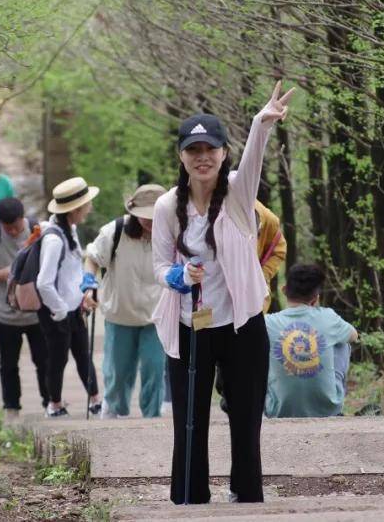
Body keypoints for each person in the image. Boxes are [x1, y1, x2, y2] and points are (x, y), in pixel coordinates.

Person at [152, 81, 294, 505]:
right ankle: (191, 496)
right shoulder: (165, 207)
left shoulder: (237, 193)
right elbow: (159, 266)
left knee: (246, 416)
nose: (203, 158)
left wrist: (261, 123)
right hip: (189, 325)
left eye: (211, 149)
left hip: (242, 323)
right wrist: (177, 276)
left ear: (224, 153)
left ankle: (246, 493)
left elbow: (254, 160)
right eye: (194, 151)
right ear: (181, 156)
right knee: (189, 420)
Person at [85, 184, 168, 419]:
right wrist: (88, 284)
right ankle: (115, 411)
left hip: (156, 317)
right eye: (144, 217)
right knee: (118, 372)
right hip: (120, 314)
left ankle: (152, 416)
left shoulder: (173, 233)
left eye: (155, 217)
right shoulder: (115, 231)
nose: (150, 222)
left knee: (154, 367)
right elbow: (92, 259)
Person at [0, 197, 49, 420]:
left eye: (17, 226)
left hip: (37, 313)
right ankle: (11, 408)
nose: (14, 232)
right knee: (8, 364)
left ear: (22, 218)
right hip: (5, 314)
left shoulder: (40, 231)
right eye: (9, 228)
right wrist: (8, 272)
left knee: (44, 362)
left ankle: (50, 404)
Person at [36, 176, 103, 418]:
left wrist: (83, 293)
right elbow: (43, 282)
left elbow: (72, 270)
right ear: (74, 210)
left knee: (83, 355)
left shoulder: (70, 230)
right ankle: (53, 404)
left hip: (75, 307)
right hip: (57, 311)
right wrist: (61, 309)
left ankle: (95, 400)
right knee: (58, 359)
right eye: (87, 204)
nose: (90, 207)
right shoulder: (54, 239)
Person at [217, 200, 286, 413]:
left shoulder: (269, 220)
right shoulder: (216, 210)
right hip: (220, 298)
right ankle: (226, 391)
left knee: (245, 352)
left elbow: (279, 250)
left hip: (252, 299)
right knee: (222, 354)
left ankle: (242, 400)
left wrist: (261, 274)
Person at [264, 264, 357, 418]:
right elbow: (354, 335)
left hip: (279, 411)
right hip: (328, 411)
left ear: (284, 290)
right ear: (316, 298)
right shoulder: (328, 317)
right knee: (343, 342)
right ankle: (329, 397)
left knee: (261, 344)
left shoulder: (268, 322)